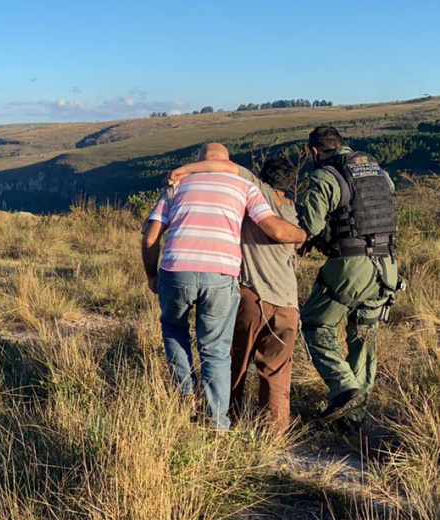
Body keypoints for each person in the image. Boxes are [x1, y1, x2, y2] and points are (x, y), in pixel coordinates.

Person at [142, 143, 307, 431]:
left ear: (200, 160)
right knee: (215, 348)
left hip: (176, 269)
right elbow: (273, 228)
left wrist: (152, 275)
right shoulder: (244, 186)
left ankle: (184, 396)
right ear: (228, 161)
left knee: (174, 329)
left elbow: (149, 238)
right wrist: (303, 236)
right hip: (221, 274)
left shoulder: (177, 186)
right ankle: (219, 421)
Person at [295, 126, 402, 429]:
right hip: (388, 263)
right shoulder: (377, 172)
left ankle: (344, 389)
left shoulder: (324, 176)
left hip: (350, 264)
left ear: (313, 151)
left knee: (316, 324)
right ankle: (354, 416)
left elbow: (310, 227)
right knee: (364, 334)